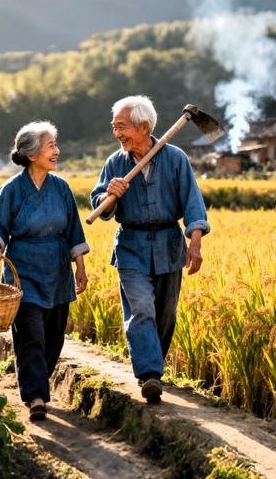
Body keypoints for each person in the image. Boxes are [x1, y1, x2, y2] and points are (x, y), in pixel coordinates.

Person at [90, 95, 209, 404]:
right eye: (114, 127)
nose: (116, 133)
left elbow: (192, 202)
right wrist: (109, 194)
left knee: (165, 315)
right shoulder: (115, 163)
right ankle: (150, 373)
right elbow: (100, 205)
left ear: (143, 127)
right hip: (132, 246)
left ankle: (152, 367)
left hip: (169, 245)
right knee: (141, 308)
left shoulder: (175, 158)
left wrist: (195, 242)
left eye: (121, 127)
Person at [0, 121, 89, 421]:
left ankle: (37, 383)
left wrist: (80, 267)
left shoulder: (61, 188)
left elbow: (73, 229)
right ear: (31, 154)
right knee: (30, 335)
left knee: (54, 337)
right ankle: (36, 396)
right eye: (51, 146)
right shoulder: (12, 190)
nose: (57, 151)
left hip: (57, 272)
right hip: (23, 272)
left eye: (56, 145)